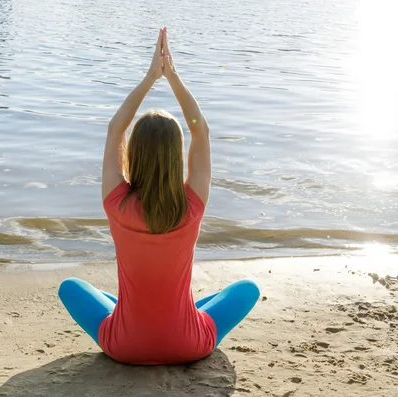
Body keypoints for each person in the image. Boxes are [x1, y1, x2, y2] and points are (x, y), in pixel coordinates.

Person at [58, 27, 260, 365]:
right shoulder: (191, 205)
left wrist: (151, 77)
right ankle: (179, 311)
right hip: (189, 345)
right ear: (176, 154)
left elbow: (114, 130)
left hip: (124, 348)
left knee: (71, 286)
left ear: (133, 153)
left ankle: (155, 312)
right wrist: (173, 77)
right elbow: (201, 130)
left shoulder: (117, 202)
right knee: (247, 290)